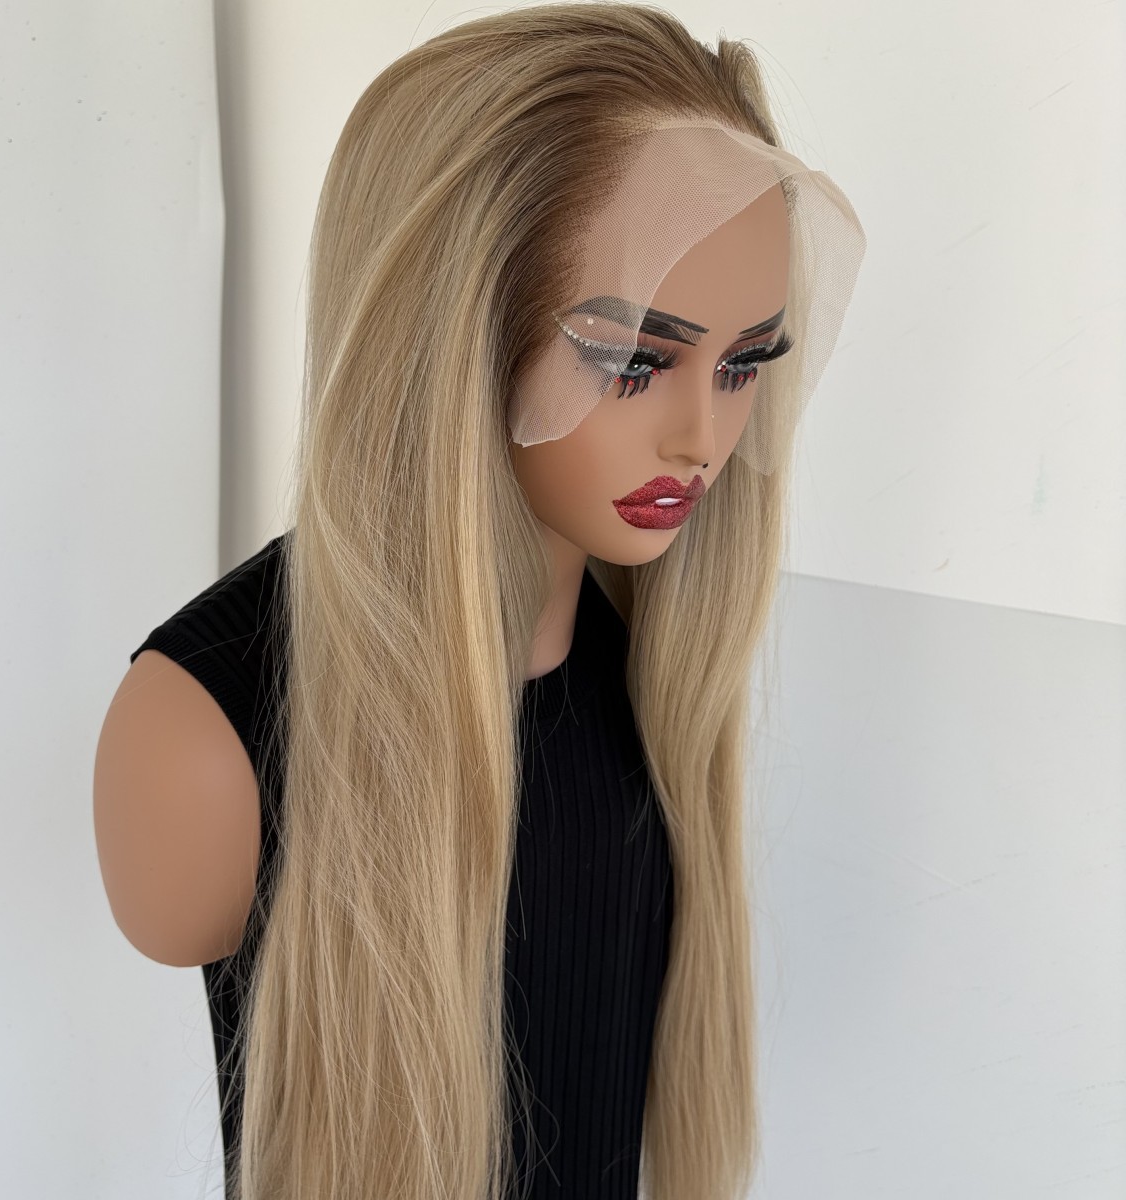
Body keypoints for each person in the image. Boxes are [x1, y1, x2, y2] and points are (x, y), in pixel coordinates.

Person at [93, 5, 865, 1199]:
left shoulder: (644, 677)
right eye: (635, 360)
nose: (702, 437)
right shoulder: (207, 730)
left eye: (743, 364)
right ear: (450, 336)